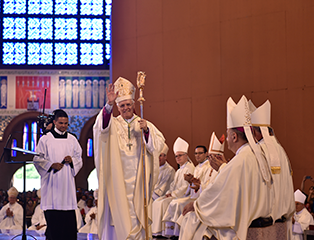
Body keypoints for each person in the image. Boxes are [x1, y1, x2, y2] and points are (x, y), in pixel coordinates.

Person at [178, 95, 272, 240]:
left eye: (228, 135)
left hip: (240, 220)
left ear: (234, 137)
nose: (227, 140)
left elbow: (219, 193)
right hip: (252, 212)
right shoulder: (253, 155)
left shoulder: (241, 159)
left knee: (191, 219)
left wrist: (196, 205)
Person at [93, 77, 165, 240]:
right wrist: (109, 105)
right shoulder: (113, 123)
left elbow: (157, 145)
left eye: (128, 104)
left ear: (133, 104)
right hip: (117, 181)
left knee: (137, 215)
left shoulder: (144, 123)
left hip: (139, 181)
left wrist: (146, 131)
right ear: (118, 107)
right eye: (122, 105)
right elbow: (101, 129)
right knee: (119, 217)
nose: (126, 108)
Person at [33, 109, 83, 240]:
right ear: (54, 122)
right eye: (61, 123)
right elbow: (37, 159)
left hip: (67, 191)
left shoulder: (72, 139)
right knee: (55, 231)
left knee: (69, 230)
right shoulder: (45, 139)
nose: (64, 126)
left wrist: (72, 161)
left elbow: (79, 158)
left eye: (66, 123)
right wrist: (50, 165)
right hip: (52, 190)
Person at [250, 99, 295, 237]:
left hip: (265, 222)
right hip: (282, 219)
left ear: (258, 133)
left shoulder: (259, 151)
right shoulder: (280, 149)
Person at [162, 142, 219, 238]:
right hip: (197, 197)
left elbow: (212, 188)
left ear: (206, 154)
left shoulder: (210, 168)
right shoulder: (197, 168)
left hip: (206, 201)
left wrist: (197, 186)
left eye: (200, 153)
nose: (197, 155)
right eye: (196, 153)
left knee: (180, 208)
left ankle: (177, 233)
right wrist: (191, 182)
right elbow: (195, 187)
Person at [152, 137, 195, 236]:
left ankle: (169, 232)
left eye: (180, 155)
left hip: (183, 196)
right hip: (175, 195)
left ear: (186, 155)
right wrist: (168, 193)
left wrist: (173, 194)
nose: (178, 158)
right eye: (176, 156)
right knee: (157, 202)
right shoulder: (179, 170)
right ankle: (158, 231)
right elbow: (172, 185)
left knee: (162, 203)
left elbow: (185, 187)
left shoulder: (189, 167)